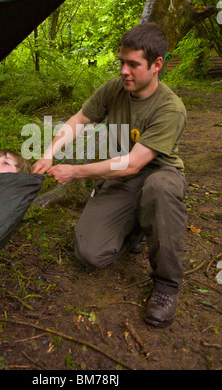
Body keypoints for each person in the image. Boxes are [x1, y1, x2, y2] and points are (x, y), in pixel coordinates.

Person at [33, 22, 187, 327]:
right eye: (121, 63)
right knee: (90, 253)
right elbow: (80, 119)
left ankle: (167, 286)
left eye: (133, 65)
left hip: (159, 173)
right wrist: (50, 151)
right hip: (122, 177)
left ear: (157, 65)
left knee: (158, 190)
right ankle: (137, 227)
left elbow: (132, 163)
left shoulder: (171, 108)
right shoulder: (115, 89)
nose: (124, 71)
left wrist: (76, 171)